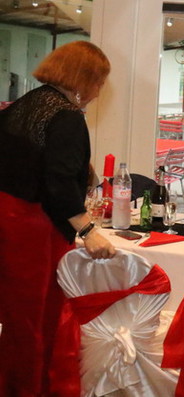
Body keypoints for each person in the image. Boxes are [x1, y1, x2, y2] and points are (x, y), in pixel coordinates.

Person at [0, 40, 116, 395]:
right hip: (35, 227)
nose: (98, 91)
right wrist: (89, 230)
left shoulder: (24, 104)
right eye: (99, 82)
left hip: (8, 219)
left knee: (17, 321)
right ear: (84, 78)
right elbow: (59, 182)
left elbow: (32, 161)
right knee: (41, 321)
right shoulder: (66, 116)